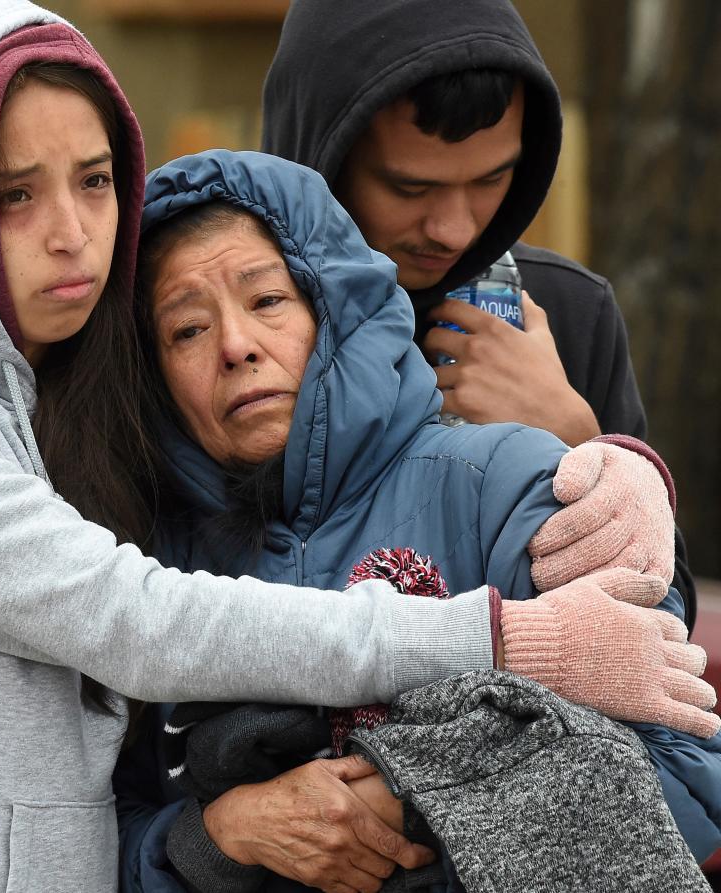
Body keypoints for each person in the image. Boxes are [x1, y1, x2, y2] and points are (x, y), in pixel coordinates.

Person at [0, 2, 618, 888]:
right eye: (15, 193)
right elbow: (134, 619)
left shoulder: (62, 404)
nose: (72, 233)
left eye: (95, 181)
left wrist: (609, 461)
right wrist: (507, 638)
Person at [115, 149, 721, 893]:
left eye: (267, 300)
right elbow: (95, 824)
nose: (236, 345)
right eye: (186, 331)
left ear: (331, 307)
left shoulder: (508, 485)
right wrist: (219, 834)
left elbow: (687, 768)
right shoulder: (133, 565)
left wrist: (411, 801)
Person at [259, 0, 698, 626]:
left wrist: (578, 441)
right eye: (410, 188)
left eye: (493, 179)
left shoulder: (568, 314)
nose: (454, 229)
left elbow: (667, 617)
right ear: (318, 157)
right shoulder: (231, 320)